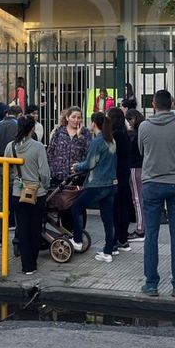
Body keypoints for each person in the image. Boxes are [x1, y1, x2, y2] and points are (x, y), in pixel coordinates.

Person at [137, 89, 175, 297]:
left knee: (151, 234)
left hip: (152, 183)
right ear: (173, 103)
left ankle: (151, 283)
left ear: (154, 104)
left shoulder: (144, 126)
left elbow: (142, 151)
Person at [71, 112, 119, 263]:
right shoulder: (111, 141)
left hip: (97, 184)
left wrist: (76, 167)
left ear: (94, 124)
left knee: (76, 207)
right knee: (108, 218)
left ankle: (77, 240)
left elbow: (90, 164)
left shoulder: (97, 142)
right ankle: (109, 250)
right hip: (111, 184)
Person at [5, 116, 49, 275]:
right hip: (37, 191)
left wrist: (16, 180)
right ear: (32, 129)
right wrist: (45, 185)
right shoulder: (38, 147)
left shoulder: (11, 147)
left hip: (18, 191)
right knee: (35, 227)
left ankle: (26, 264)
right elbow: (44, 172)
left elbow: (7, 169)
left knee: (22, 228)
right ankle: (33, 260)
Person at [0, 105, 21, 246]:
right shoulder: (20, 126)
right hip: (19, 168)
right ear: (19, 115)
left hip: (2, 167)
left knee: (2, 203)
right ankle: (19, 236)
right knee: (20, 202)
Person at [108, 107, 134, 251]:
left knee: (115, 209)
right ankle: (122, 238)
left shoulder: (115, 136)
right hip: (124, 174)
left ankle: (116, 239)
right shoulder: (124, 134)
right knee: (122, 206)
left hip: (116, 176)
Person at [125, 109, 146, 240]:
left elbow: (132, 149)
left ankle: (140, 229)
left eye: (129, 120)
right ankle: (143, 226)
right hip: (142, 166)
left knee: (137, 199)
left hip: (135, 167)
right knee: (141, 198)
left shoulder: (135, 133)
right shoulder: (144, 130)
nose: (129, 123)